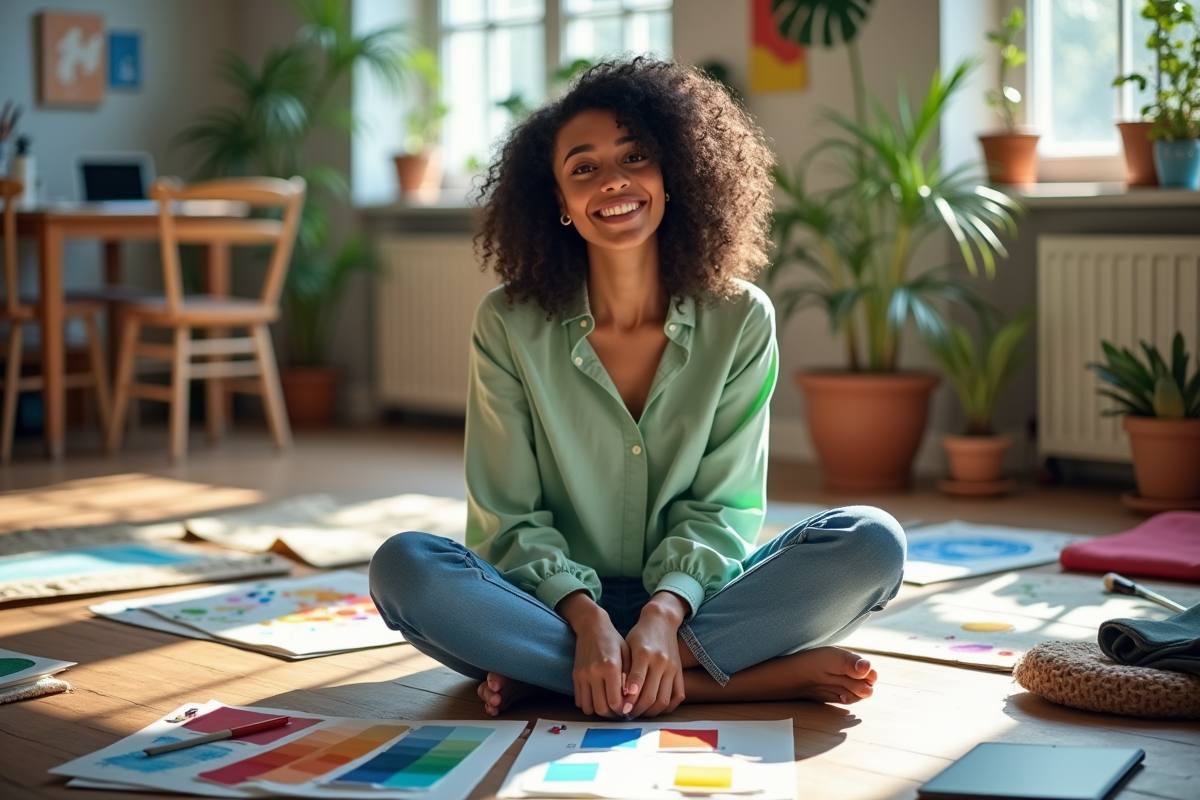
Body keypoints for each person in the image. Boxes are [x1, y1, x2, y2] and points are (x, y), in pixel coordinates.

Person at [369, 58, 905, 720]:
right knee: (404, 567)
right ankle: (720, 677)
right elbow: (508, 518)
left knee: (872, 543)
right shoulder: (506, 321)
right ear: (557, 201)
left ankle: (570, 677)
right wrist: (585, 617)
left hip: (697, 601)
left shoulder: (741, 317)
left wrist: (664, 611)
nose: (613, 181)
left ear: (672, 172)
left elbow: (724, 508)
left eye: (634, 156)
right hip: (549, 606)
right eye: (583, 168)